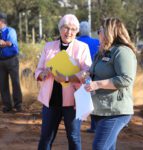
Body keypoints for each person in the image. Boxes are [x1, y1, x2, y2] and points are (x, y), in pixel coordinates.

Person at [35, 14, 92, 150]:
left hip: (73, 101)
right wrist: (43, 74)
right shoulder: (49, 46)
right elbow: (38, 70)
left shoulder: (82, 47)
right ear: (60, 29)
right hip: (51, 100)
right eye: (66, 28)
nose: (69, 32)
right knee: (46, 137)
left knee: (73, 137)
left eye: (73, 29)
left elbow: (87, 73)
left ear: (77, 31)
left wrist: (66, 77)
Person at [84, 17, 137, 150]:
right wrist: (87, 75)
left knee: (99, 147)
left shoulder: (122, 51)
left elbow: (126, 79)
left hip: (116, 111)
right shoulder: (102, 51)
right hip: (101, 109)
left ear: (109, 31)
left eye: (99, 30)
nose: (98, 34)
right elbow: (94, 72)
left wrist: (98, 84)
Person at [77, 21, 100, 133]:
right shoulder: (97, 41)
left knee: (80, 99)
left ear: (79, 30)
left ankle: (76, 124)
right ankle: (94, 126)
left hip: (80, 75)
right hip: (95, 74)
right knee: (93, 99)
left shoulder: (75, 42)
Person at [0, 12, 22, 113]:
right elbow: (6, 43)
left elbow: (11, 44)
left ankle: (18, 104)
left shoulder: (10, 31)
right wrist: (5, 43)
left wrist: (4, 43)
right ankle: (7, 105)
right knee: (3, 84)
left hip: (12, 60)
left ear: (1, 21)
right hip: (1, 61)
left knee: (15, 82)